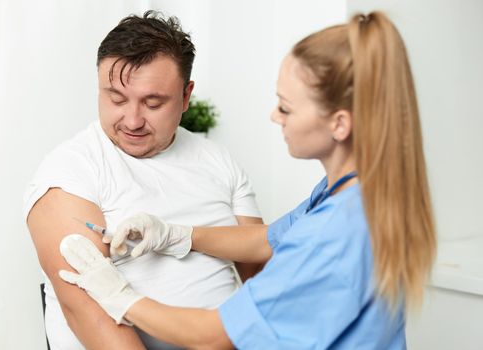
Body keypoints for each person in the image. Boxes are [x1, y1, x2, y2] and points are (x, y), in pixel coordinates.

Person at [57, 11, 437, 349]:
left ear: (339, 123)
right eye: (117, 99)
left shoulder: (338, 233)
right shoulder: (346, 194)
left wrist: (122, 297)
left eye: (286, 106)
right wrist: (176, 235)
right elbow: (266, 239)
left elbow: (215, 335)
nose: (275, 116)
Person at [24, 11, 263, 350]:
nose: (133, 120)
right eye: (116, 99)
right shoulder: (70, 171)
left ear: (185, 96)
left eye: (153, 103)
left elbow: (263, 279)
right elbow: (87, 314)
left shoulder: (218, 160)